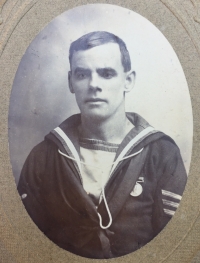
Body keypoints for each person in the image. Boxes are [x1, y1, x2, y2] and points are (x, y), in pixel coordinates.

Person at [17, 31, 187, 259]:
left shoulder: (162, 154)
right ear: (71, 82)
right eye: (82, 74)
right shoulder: (43, 157)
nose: (93, 85)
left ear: (128, 80)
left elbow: (177, 246)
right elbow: (25, 245)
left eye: (106, 74)